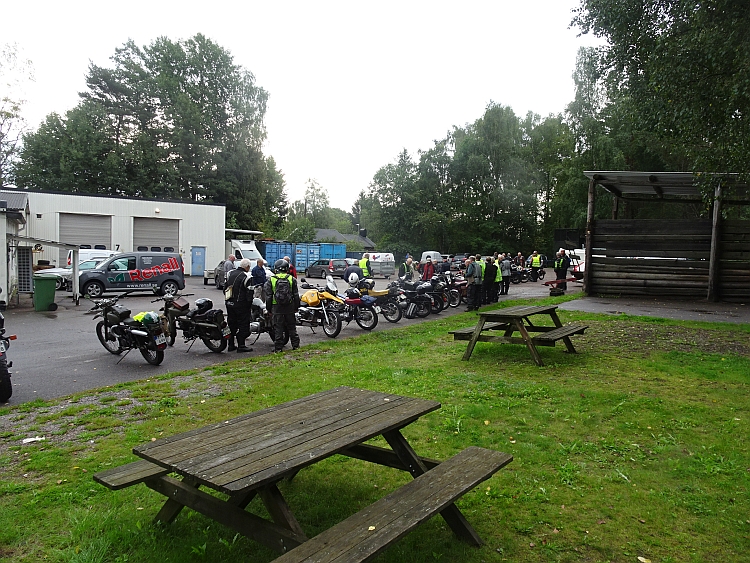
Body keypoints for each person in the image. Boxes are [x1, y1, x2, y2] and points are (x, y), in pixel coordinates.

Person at [265, 259, 301, 352]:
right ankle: (296, 346)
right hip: (289, 306)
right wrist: (296, 307)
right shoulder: (291, 279)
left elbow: (269, 296)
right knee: (292, 327)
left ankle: (278, 348)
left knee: (278, 328)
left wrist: (269, 309)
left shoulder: (271, 279)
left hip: (276, 307)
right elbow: (296, 295)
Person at [224, 258, 253, 352]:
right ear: (247, 267)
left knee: (231, 324)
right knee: (243, 325)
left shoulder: (230, 274)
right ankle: (241, 345)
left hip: (229, 303)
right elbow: (250, 293)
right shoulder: (247, 277)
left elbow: (225, 288)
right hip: (241, 305)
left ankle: (231, 345)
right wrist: (249, 306)